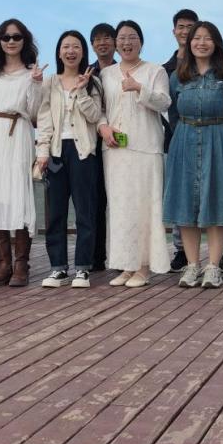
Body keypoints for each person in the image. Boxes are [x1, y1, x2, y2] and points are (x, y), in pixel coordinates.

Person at [164, 21, 223, 289]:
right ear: (189, 43)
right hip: (183, 140)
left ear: (216, 43)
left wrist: (222, 141)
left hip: (217, 139)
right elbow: (173, 114)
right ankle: (192, 265)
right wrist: (183, 135)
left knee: (216, 200)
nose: (201, 43)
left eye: (207, 38)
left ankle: (213, 266)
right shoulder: (179, 75)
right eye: (196, 38)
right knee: (185, 203)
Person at [97, 20, 171, 287]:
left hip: (146, 148)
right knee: (120, 208)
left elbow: (164, 102)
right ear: (116, 44)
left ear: (141, 41)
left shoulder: (155, 71)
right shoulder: (106, 74)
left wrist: (140, 88)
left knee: (144, 207)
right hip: (115, 149)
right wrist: (103, 127)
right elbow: (100, 109)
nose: (126, 42)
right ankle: (126, 265)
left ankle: (144, 267)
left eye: (132, 37)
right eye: (122, 38)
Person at [0, 19, 44, 287]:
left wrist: (37, 84)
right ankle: (3, 263)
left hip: (19, 133)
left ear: (24, 40)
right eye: (5, 37)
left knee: (18, 194)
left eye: (16, 37)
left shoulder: (32, 72)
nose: (11, 42)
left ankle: (21, 264)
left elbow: (35, 113)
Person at [36, 30, 102, 288]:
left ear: (83, 52)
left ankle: (83, 268)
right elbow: (43, 119)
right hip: (55, 151)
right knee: (55, 212)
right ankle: (58, 268)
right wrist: (42, 152)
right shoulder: (50, 82)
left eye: (76, 46)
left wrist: (82, 91)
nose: (71, 51)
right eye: (66, 46)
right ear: (59, 52)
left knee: (85, 211)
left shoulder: (93, 82)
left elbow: (95, 116)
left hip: (83, 151)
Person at [161, 8, 198, 273]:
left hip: (205, 138)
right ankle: (181, 250)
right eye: (181, 27)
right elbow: (166, 109)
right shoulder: (165, 70)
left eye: (190, 26)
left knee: (208, 193)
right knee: (179, 195)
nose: (185, 31)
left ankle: (215, 253)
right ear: (174, 31)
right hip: (175, 140)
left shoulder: (209, 64)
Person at [87, 21, 116, 271]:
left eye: (107, 38)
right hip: (93, 143)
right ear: (92, 44)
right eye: (97, 39)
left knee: (119, 198)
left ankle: (121, 256)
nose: (102, 43)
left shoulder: (124, 69)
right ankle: (96, 257)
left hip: (119, 142)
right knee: (95, 200)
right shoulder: (88, 73)